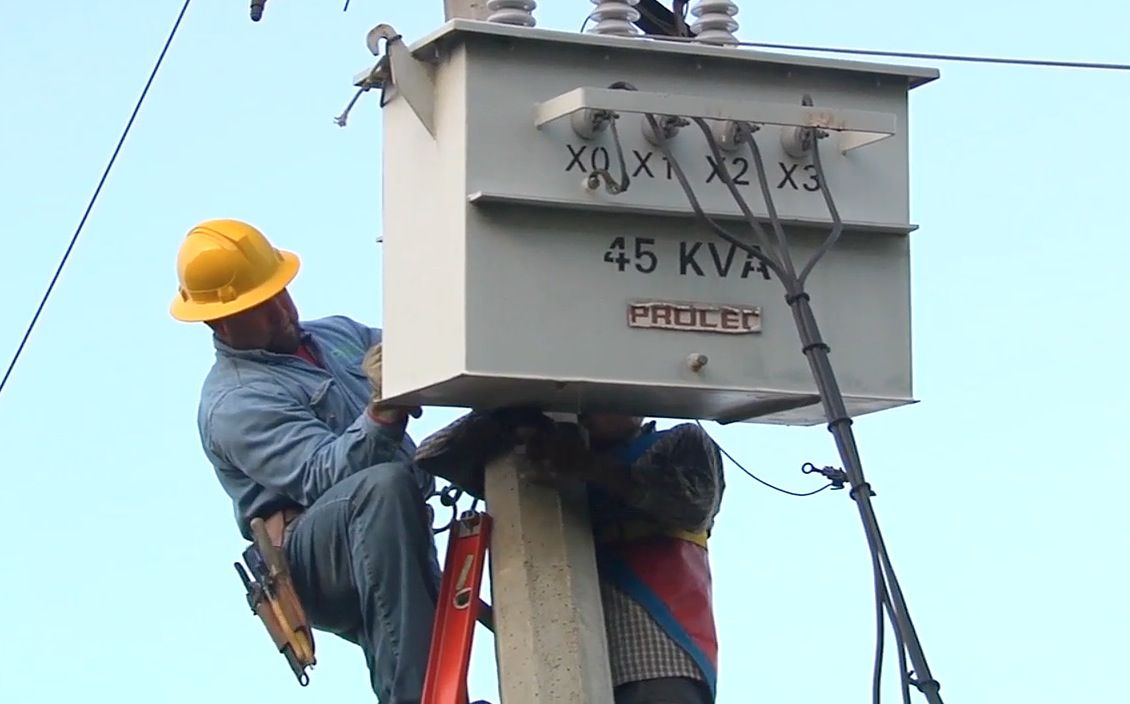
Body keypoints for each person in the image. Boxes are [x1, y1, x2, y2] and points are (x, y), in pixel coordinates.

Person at [170, 218, 441, 703]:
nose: (281, 311)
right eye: (259, 306)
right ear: (220, 321)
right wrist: (382, 412)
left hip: (386, 519)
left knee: (401, 595)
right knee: (381, 489)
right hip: (309, 551)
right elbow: (322, 475)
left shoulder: (335, 334)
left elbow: (434, 352)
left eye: (280, 292)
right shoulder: (234, 402)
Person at [416, 412, 725, 704]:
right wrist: (511, 411)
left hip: (659, 651)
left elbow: (691, 505)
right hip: (561, 653)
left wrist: (587, 466)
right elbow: (434, 453)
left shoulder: (678, 442)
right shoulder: (534, 450)